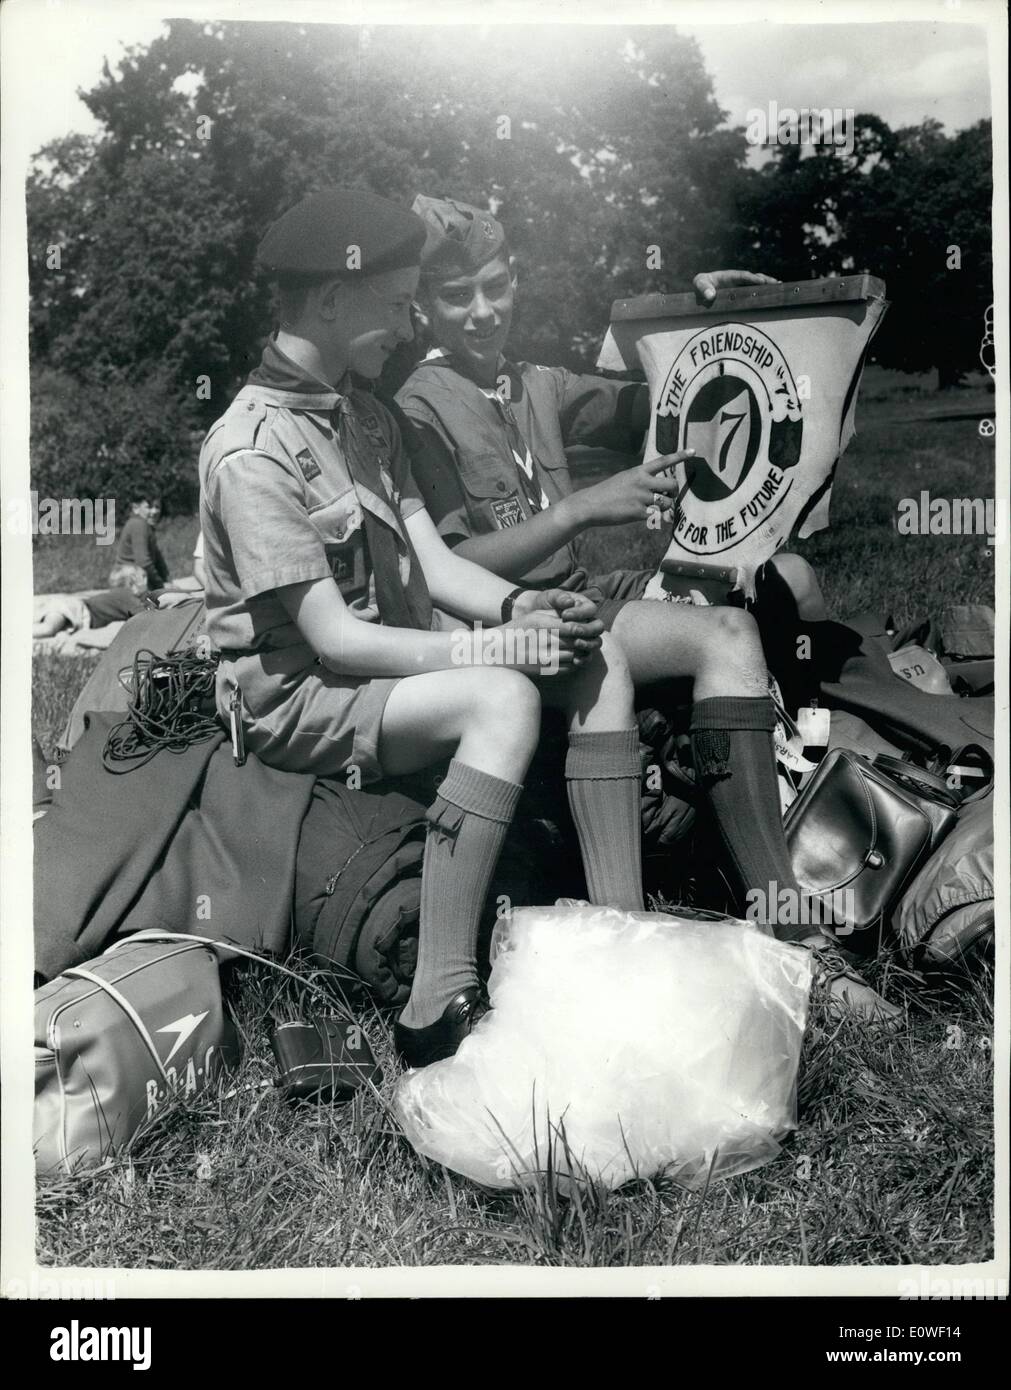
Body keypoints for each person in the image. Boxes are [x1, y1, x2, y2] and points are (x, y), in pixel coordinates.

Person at [394, 195, 899, 1024]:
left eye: (496, 285)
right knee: (627, 649)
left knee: (735, 627)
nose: (482, 311)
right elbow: (446, 569)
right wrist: (579, 510)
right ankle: (629, 929)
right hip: (495, 628)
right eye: (457, 296)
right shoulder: (418, 406)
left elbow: (685, 393)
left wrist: (752, 312)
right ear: (422, 306)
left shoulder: (537, 384)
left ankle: (785, 922)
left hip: (585, 599)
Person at [199, 187, 656, 1069]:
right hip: (303, 700)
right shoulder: (252, 449)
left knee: (592, 662)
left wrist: (516, 608)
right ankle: (435, 1002)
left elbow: (436, 566)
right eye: (397, 302)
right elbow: (334, 643)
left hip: (385, 671)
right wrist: (494, 647)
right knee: (501, 701)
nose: (411, 328)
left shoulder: (364, 418)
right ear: (332, 299)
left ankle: (621, 938)